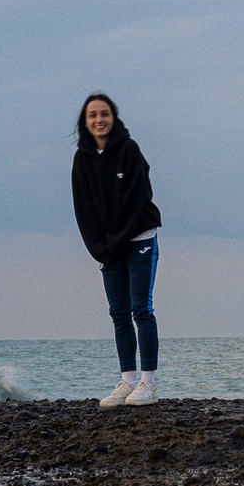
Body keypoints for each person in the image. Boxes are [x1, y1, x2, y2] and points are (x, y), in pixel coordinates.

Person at [71, 92, 162, 406]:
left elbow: (137, 199)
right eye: (93, 115)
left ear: (113, 117)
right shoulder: (82, 159)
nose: (99, 120)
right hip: (109, 248)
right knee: (118, 313)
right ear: (85, 122)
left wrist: (115, 242)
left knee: (141, 309)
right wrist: (99, 249)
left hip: (139, 238)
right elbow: (83, 209)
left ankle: (148, 384)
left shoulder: (129, 150)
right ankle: (128, 381)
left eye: (104, 114)